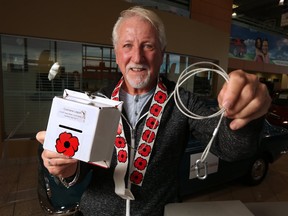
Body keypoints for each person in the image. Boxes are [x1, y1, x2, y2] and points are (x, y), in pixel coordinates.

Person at [36, 6, 271, 216]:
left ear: (162, 53)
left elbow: (232, 148)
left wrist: (247, 116)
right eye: (127, 46)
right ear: (117, 54)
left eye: (147, 46)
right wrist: (66, 167)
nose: (137, 57)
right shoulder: (95, 103)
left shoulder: (183, 102)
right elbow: (78, 165)